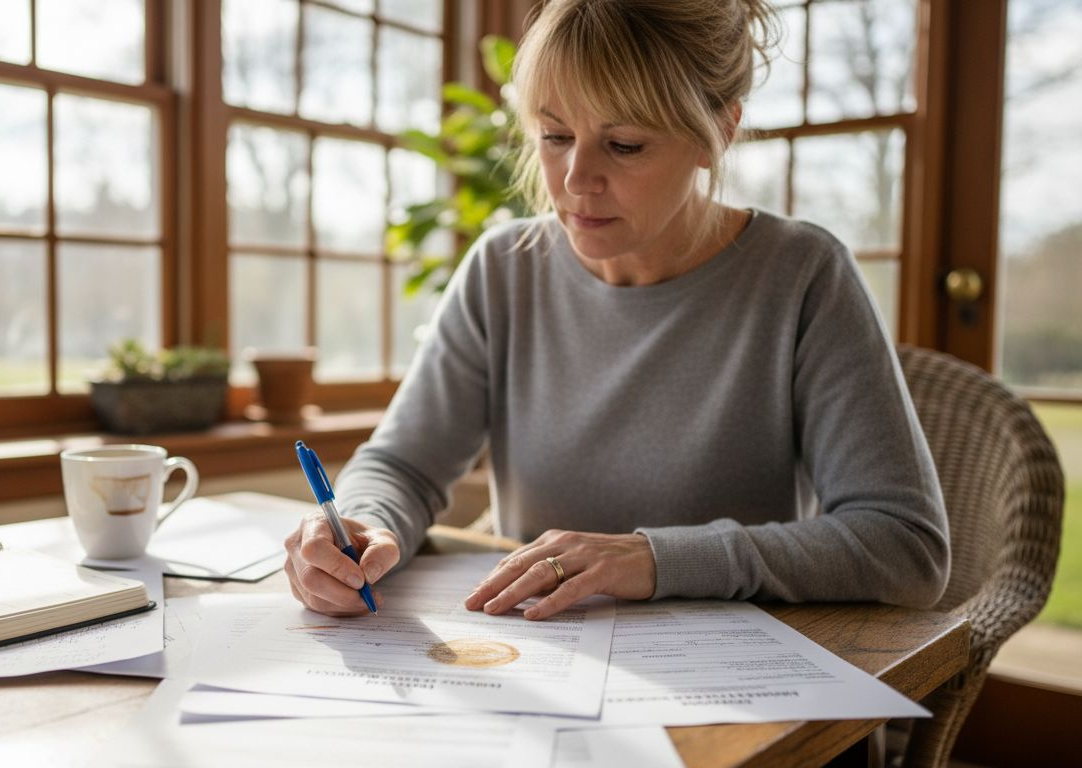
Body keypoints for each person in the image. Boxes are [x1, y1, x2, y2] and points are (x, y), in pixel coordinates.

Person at [282, 0, 951, 621]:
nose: (575, 180)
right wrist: (362, 526)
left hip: (733, 686)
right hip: (535, 663)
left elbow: (906, 546)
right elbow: (404, 465)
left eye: (624, 144)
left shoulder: (803, 275)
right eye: (553, 135)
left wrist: (655, 559)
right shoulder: (502, 268)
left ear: (718, 132)